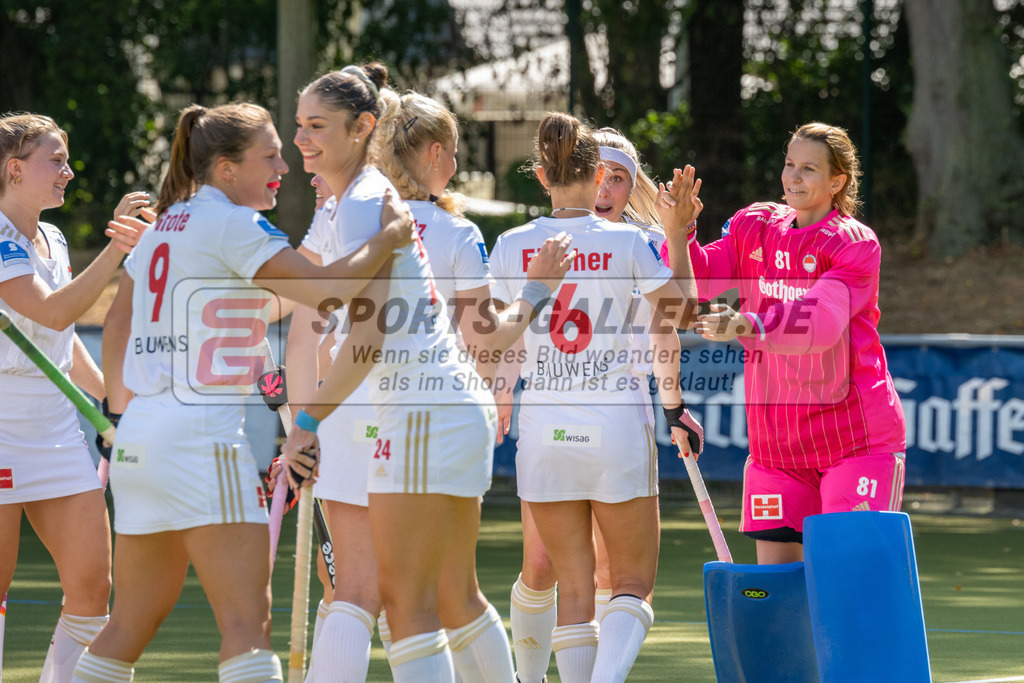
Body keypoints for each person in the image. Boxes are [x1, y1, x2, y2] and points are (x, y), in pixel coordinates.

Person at [72, 101, 414, 683]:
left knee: (128, 623)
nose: (284, 163)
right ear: (226, 169)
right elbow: (329, 292)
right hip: (204, 440)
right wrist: (389, 237)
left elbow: (119, 323)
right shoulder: (234, 224)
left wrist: (118, 412)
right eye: (269, 155)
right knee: (247, 624)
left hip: (140, 441)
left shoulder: (166, 225)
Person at [281, 64, 574, 683]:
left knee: (386, 598)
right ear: (436, 153)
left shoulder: (354, 207)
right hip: (408, 404)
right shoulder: (355, 210)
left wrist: (303, 415)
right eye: (298, 128)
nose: (298, 144)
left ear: (364, 131)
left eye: (314, 128)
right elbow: (481, 336)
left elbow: (329, 328)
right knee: (436, 598)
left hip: (408, 407)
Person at [488, 112, 700, 682]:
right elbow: (683, 314)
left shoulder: (510, 244)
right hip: (616, 429)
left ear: (541, 174)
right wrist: (678, 236)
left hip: (545, 430)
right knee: (630, 585)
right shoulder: (632, 242)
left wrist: (501, 389)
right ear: (589, 172)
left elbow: (490, 338)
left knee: (575, 589)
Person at [664, 121, 907, 565]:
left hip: (854, 439)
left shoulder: (854, 244)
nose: (793, 177)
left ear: (838, 182)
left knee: (847, 578)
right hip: (777, 448)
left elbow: (821, 325)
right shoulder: (754, 225)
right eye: (789, 164)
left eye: (808, 169)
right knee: (778, 600)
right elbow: (696, 286)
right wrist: (679, 231)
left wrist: (744, 325)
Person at [0, 112, 148, 683]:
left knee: (92, 588)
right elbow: (55, 310)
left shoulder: (53, 237)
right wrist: (117, 249)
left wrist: (118, 403)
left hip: (57, 429)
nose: (67, 170)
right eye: (54, 160)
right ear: (15, 170)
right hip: (4, 428)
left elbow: (60, 341)